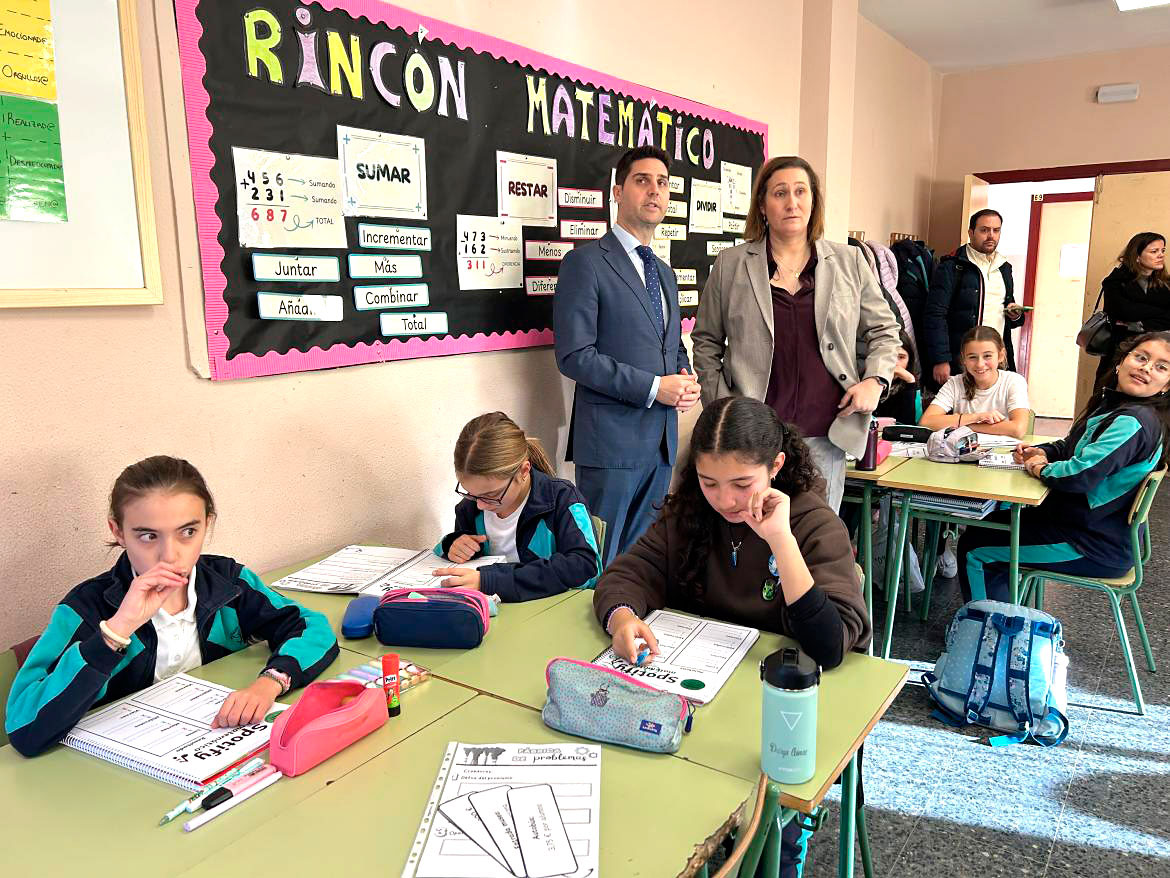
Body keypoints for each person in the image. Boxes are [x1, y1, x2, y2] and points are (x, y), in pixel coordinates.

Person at [593, 396, 870, 878]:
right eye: (709, 482)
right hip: (704, 702)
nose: (724, 500)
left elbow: (829, 645)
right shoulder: (689, 513)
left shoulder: (811, 523)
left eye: (742, 484)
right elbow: (629, 572)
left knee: (765, 843)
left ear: (776, 465)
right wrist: (621, 617)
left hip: (780, 716)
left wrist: (779, 540)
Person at [6, 456, 339, 758]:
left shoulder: (227, 582)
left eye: (187, 532)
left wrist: (269, 682)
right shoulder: (84, 608)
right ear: (117, 531)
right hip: (121, 773)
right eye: (148, 536)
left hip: (211, 751)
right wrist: (117, 629)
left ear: (207, 524)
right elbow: (23, 726)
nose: (170, 555)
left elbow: (309, 626)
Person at [691, 155, 900, 512]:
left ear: (813, 200)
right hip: (751, 436)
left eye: (801, 191)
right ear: (762, 204)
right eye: (780, 193)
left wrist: (875, 380)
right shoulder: (731, 264)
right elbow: (706, 342)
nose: (792, 202)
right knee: (749, 535)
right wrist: (721, 404)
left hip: (827, 430)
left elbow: (884, 330)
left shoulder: (850, 261)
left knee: (814, 542)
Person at [554, 145, 699, 565]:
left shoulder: (665, 273)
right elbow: (575, 356)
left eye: (662, 183)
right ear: (617, 192)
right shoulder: (586, 263)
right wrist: (655, 387)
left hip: (660, 445)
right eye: (642, 181)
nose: (654, 191)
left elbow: (670, 346)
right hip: (611, 446)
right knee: (597, 563)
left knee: (638, 565)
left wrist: (685, 378)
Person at [959, 332, 1170, 603]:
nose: (1146, 368)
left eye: (1161, 367)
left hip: (1090, 544)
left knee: (975, 547)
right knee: (987, 526)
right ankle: (1004, 616)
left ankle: (988, 633)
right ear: (1121, 361)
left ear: (1166, 386)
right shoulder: (1116, 405)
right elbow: (1072, 444)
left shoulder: (1134, 421)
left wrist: (1040, 468)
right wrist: (1043, 451)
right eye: (1141, 357)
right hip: (1090, 529)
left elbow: (1080, 475)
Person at [433, 412, 602, 600]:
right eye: (471, 494)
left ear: (524, 471)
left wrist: (492, 580)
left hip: (554, 610)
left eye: (492, 495)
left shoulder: (563, 499)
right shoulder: (470, 507)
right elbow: (466, 563)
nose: (480, 505)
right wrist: (453, 545)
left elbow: (585, 567)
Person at [924, 209, 1026, 386]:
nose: (991, 236)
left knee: (996, 411)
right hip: (963, 357)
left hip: (997, 358)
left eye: (996, 230)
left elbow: (1009, 315)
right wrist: (940, 359)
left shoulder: (1004, 267)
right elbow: (934, 314)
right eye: (984, 230)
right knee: (963, 410)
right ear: (971, 232)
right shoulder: (952, 266)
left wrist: (1015, 314)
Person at [919, 326, 1031, 439]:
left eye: (987, 356)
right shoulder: (954, 383)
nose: (980, 364)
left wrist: (966, 426)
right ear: (964, 359)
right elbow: (926, 422)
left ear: (1001, 356)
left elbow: (1018, 429)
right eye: (972, 357)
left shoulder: (1014, 381)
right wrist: (977, 417)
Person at [1094, 232, 1170, 387]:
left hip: (1157, 350)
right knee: (1111, 387)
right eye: (1154, 251)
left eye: (1163, 251)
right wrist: (1160, 314)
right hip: (1121, 348)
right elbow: (1122, 311)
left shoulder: (1166, 283)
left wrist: (1140, 321)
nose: (1161, 255)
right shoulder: (1116, 281)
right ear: (1137, 256)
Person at [874, 329, 923, 425]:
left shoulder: (910, 385)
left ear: (909, 360)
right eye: (889, 356)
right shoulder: (868, 380)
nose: (895, 363)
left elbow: (909, 425)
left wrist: (910, 382)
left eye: (901, 357)